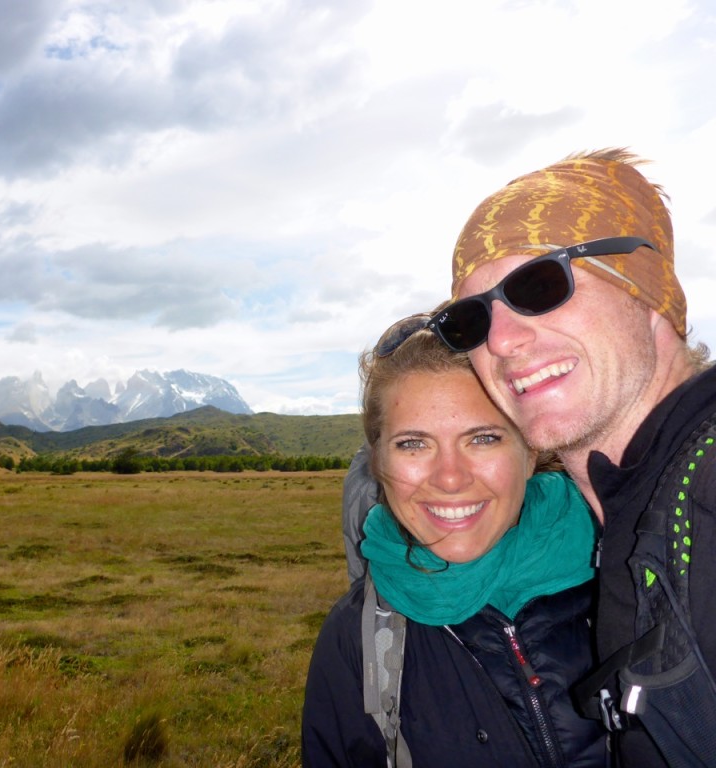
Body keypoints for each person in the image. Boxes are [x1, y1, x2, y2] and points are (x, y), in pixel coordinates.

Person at [435, 148, 716, 766]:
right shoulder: (630, 513)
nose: (501, 340)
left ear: (647, 294)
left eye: (540, 285)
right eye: (469, 320)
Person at [301, 321, 607, 767]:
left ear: (531, 449)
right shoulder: (357, 638)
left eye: (483, 438)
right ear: (379, 463)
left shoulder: (633, 573)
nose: (449, 477)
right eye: (413, 444)